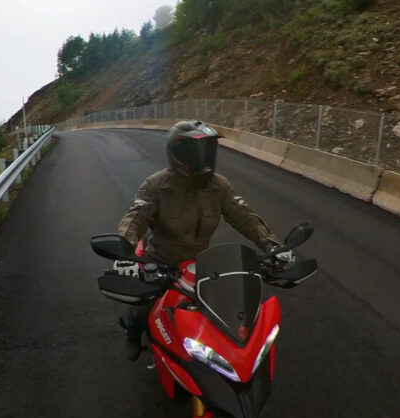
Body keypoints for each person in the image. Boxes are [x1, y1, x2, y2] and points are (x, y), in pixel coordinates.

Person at [114, 120, 293, 360]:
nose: (203, 158)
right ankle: (132, 336)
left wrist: (274, 246)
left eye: (208, 150)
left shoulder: (219, 186)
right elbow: (134, 218)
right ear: (177, 155)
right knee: (143, 306)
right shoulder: (155, 185)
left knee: (225, 313)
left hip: (201, 265)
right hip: (161, 262)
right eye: (195, 151)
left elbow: (246, 218)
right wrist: (122, 252)